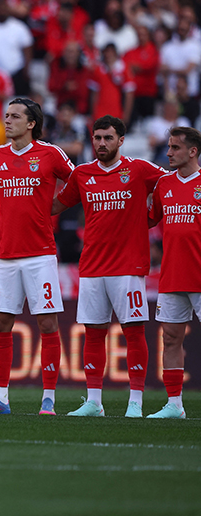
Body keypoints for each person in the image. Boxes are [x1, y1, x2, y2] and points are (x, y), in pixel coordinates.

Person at [52, 115, 164, 418]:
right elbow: (57, 205)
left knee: (134, 332)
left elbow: (171, 185)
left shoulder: (139, 169)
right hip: (91, 266)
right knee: (94, 333)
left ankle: (136, 402)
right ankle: (93, 402)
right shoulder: (83, 174)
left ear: (121, 140)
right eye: (97, 138)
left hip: (128, 266)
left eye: (108, 138)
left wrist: (151, 216)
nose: (102, 143)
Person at [0, 98, 75, 415]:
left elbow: (78, 181)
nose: (7, 121)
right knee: (1, 323)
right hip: (5, 254)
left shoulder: (50, 153)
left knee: (47, 323)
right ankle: (0, 398)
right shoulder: (0, 155)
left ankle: (48, 399)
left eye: (14, 116)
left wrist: (55, 207)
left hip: (40, 254)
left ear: (31, 123)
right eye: (6, 116)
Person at [147, 126, 201, 419]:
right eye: (168, 147)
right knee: (170, 338)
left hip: (200, 275)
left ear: (192, 151)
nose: (168, 153)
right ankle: (174, 404)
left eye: (175, 148)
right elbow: (149, 219)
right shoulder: (164, 186)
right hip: (172, 274)